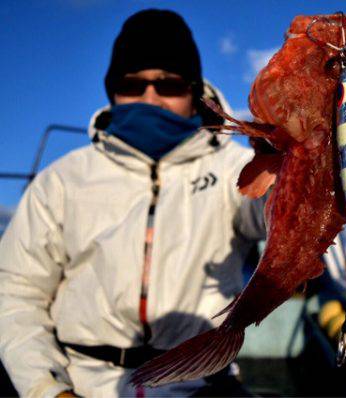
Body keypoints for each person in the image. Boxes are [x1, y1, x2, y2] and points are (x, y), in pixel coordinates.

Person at [0, 9, 266, 398]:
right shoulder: (62, 179)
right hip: (80, 382)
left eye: (169, 85)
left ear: (194, 91)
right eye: (132, 84)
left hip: (200, 382)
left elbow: (273, 211)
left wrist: (292, 162)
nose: (150, 98)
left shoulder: (237, 167)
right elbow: (17, 291)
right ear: (113, 90)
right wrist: (47, 387)